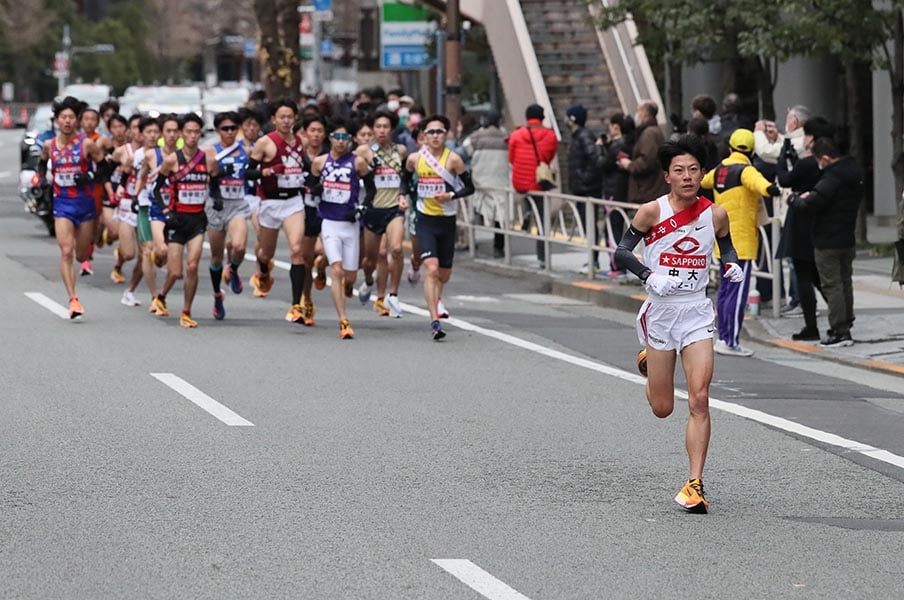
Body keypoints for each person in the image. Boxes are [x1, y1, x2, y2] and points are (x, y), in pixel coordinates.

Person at [614, 134, 745, 513]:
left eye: (693, 170)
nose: (687, 176)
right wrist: (647, 275)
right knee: (662, 407)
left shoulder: (715, 213)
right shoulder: (650, 212)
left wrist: (732, 264)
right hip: (661, 310)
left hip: (696, 311)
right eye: (679, 171)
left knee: (700, 397)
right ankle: (649, 362)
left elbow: (727, 245)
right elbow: (622, 250)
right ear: (667, 176)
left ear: (702, 174)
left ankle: (694, 484)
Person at [700, 129, 778, 356]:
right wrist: (773, 189)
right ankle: (730, 340)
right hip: (742, 243)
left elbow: (702, 181)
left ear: (730, 148)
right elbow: (759, 184)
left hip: (721, 240)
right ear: (751, 151)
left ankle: (722, 336)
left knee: (725, 292)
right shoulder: (746, 170)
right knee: (737, 293)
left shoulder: (719, 170)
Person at [400, 114, 475, 340]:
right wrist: (403, 196)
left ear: (446, 134)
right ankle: (434, 320)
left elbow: (470, 188)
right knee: (431, 269)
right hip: (425, 219)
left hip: (447, 220)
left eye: (439, 132)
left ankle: (437, 300)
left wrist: (451, 194)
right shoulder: (415, 158)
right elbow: (404, 178)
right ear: (423, 136)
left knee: (443, 274)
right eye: (430, 132)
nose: (435, 136)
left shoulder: (454, 160)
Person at [787, 137, 864, 347]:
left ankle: (840, 330)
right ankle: (847, 322)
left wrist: (795, 199)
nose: (818, 163)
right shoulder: (854, 171)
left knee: (832, 285)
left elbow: (812, 204)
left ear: (827, 158)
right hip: (847, 237)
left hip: (827, 239)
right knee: (845, 282)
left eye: (819, 159)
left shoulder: (833, 177)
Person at [39, 96, 112, 318]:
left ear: (77, 121)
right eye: (64, 117)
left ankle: (97, 237)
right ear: (57, 121)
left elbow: (104, 168)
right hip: (63, 204)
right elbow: (42, 164)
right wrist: (42, 180)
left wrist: (88, 175)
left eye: (71, 117)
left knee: (81, 255)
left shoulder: (86, 144)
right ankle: (73, 299)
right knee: (66, 251)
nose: (68, 121)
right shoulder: (49, 145)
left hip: (85, 203)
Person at [310, 118, 373, 339]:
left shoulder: (358, 163)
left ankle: (322, 264)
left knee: (350, 277)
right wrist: (316, 190)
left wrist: (361, 209)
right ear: (330, 138)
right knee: (336, 271)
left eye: (345, 137)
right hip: (330, 222)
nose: (340, 141)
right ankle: (343, 321)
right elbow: (312, 186)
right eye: (336, 137)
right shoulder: (319, 162)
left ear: (350, 140)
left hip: (351, 224)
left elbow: (372, 190)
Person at [245, 99, 308, 321]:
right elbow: (248, 173)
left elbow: (307, 169)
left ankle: (295, 305)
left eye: (290, 117)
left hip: (293, 202)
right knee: (266, 253)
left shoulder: (301, 142)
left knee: (296, 249)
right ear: (274, 119)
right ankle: (263, 270)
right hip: (270, 203)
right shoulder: (265, 142)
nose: (286, 121)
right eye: (282, 117)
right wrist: (267, 172)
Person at [776, 116, 834, 340]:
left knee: (802, 273)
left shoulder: (807, 162)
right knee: (818, 276)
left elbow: (786, 179)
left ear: (812, 138)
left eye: (807, 135)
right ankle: (841, 318)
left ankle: (811, 326)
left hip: (800, 218)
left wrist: (783, 158)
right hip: (820, 220)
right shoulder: (828, 162)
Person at [151, 113, 211, 328]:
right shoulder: (171, 160)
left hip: (198, 220)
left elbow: (215, 181)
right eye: (188, 132)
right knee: (176, 272)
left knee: (193, 265)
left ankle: (186, 311)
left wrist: (219, 198)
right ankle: (161, 295)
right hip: (177, 221)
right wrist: (166, 210)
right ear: (181, 134)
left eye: (196, 132)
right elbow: (157, 188)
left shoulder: (207, 158)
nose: (193, 136)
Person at [360, 110, 409, 318]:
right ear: (372, 129)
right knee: (371, 259)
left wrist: (404, 194)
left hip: (394, 209)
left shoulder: (401, 150)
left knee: (396, 249)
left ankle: (393, 294)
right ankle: (369, 280)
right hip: (373, 209)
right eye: (378, 126)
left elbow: (406, 176)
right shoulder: (363, 150)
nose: (381, 130)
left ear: (392, 129)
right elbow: (356, 171)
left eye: (385, 127)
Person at [205, 111, 251, 320]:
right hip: (216, 205)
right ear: (217, 131)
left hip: (237, 204)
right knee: (216, 256)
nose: (230, 132)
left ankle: (232, 268)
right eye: (225, 128)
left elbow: (252, 172)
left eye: (234, 128)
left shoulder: (246, 149)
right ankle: (217, 295)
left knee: (240, 245)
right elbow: (207, 175)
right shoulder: (210, 151)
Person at [507, 103, 558, 267]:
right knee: (543, 219)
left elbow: (511, 158)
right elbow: (548, 157)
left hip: (520, 181)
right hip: (538, 181)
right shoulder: (550, 136)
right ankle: (542, 257)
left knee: (527, 198)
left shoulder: (516, 135)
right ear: (542, 117)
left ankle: (527, 210)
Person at [565, 104, 604, 274]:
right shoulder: (579, 136)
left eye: (568, 116)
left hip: (587, 188)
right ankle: (591, 259)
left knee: (590, 223)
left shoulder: (583, 136)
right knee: (587, 223)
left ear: (572, 119)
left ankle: (593, 260)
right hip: (584, 187)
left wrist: (584, 177)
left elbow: (594, 158)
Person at [297, 114, 329, 326]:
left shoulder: (331, 156)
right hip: (305, 209)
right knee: (306, 258)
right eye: (312, 131)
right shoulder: (299, 157)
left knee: (326, 252)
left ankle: (323, 267)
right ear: (305, 133)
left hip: (328, 210)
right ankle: (306, 298)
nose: (316, 135)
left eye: (320, 131)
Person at [465, 109, 509, 258]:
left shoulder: (475, 137)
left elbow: (466, 150)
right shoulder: (506, 137)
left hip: (481, 180)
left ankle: (472, 242)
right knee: (500, 214)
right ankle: (499, 247)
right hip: (501, 181)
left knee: (475, 209)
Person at [599, 112, 634, 276]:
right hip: (624, 188)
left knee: (612, 229)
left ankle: (616, 267)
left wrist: (599, 148)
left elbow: (602, 164)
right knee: (620, 226)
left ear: (615, 127)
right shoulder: (629, 142)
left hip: (612, 189)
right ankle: (622, 265)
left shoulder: (615, 146)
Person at [618, 100, 669, 205]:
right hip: (652, 189)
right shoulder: (654, 131)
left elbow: (647, 161)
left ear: (645, 113)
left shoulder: (648, 134)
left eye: (638, 111)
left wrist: (629, 165)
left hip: (647, 190)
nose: (637, 115)